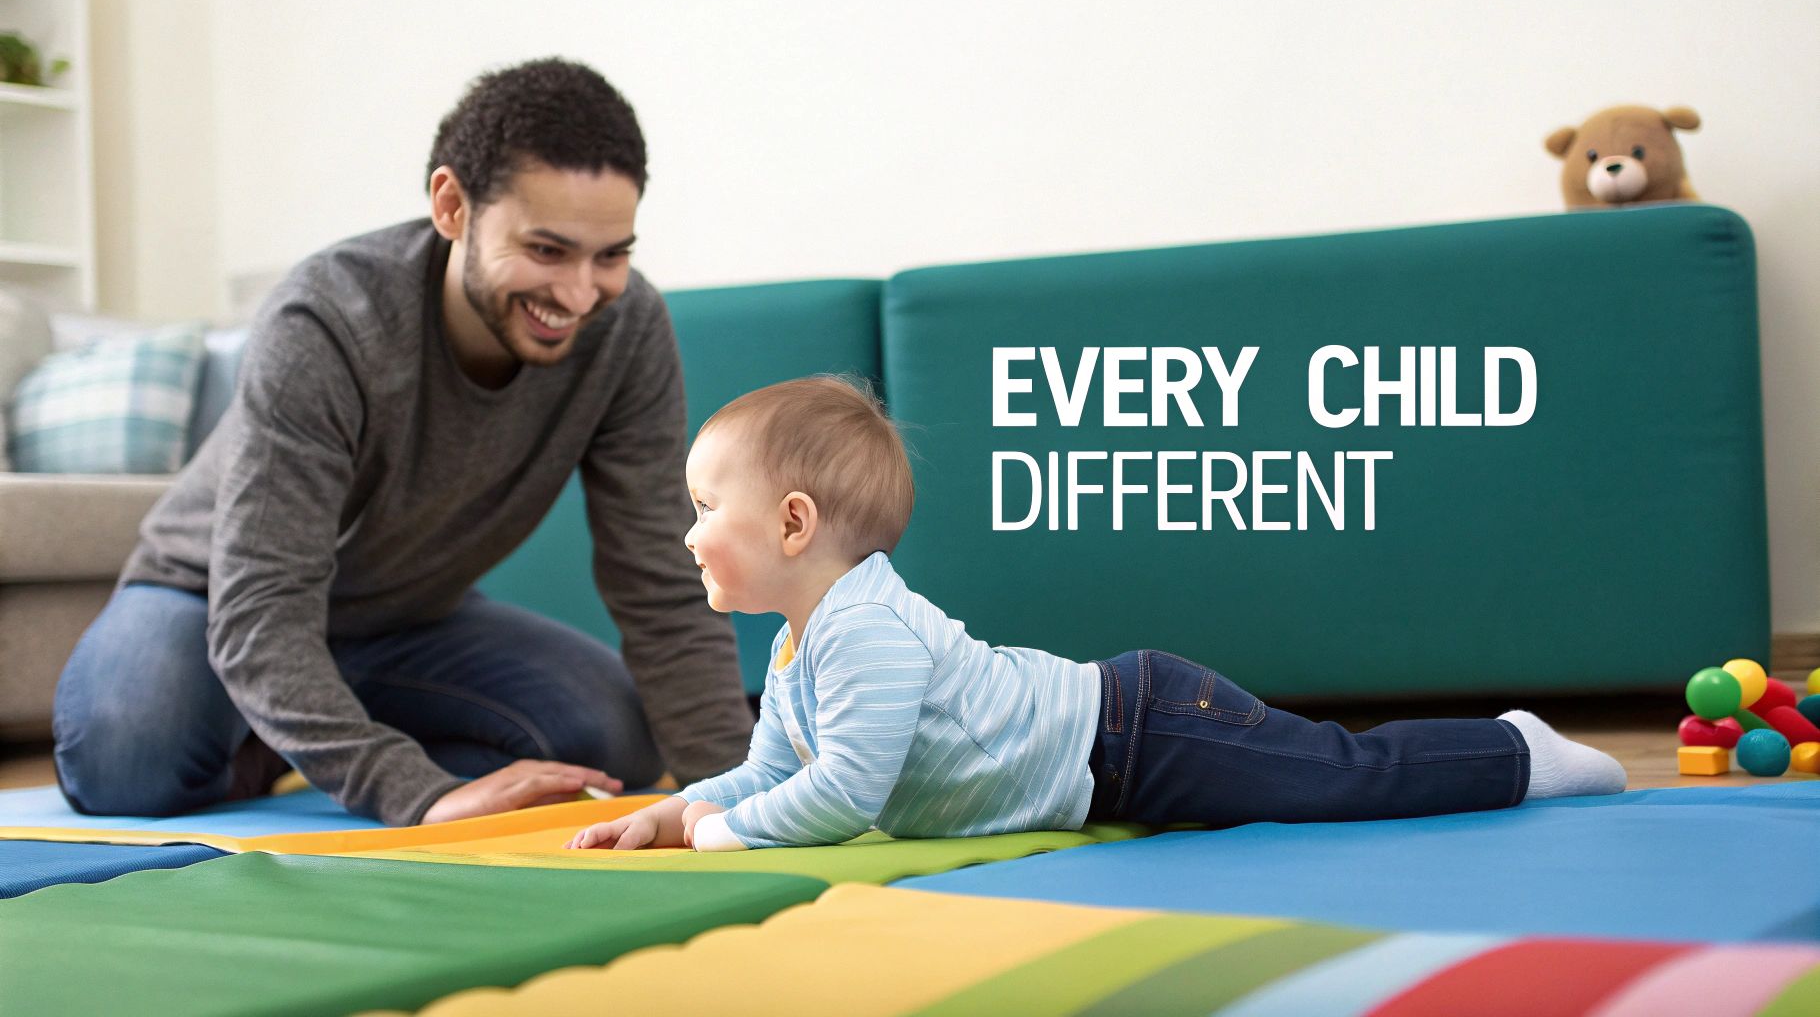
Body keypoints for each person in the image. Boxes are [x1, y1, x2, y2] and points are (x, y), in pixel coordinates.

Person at [53, 59, 754, 827]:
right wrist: (416, 793)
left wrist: (734, 794)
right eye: (547, 251)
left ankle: (303, 729)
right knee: (128, 760)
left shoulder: (627, 330)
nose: (581, 294)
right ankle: (290, 731)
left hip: (405, 620)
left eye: (611, 255)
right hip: (212, 595)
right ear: (452, 207)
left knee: (612, 739)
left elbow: (657, 573)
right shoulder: (328, 318)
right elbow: (260, 604)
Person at [565, 376, 1626, 852]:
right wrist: (673, 812)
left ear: (793, 524)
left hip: (1143, 729)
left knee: (1341, 781)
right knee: (1321, 781)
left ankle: (1514, 751)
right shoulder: (799, 644)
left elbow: (844, 788)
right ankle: (1508, 750)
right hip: (1113, 757)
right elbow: (769, 770)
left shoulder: (862, 630)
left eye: (707, 507)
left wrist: (728, 835)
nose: (690, 532)